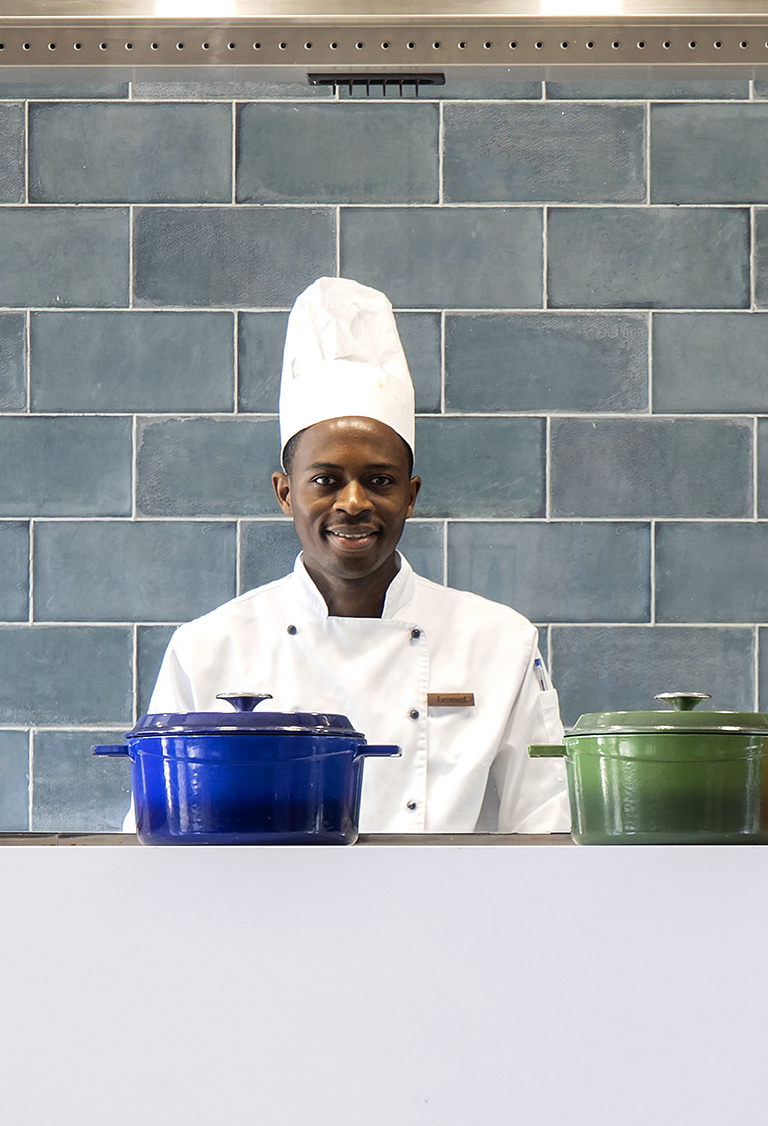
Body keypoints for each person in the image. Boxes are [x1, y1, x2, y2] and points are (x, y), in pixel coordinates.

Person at [144, 277, 569, 834]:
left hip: (449, 894)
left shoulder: (499, 643)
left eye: (379, 480)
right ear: (285, 493)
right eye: (326, 479)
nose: (353, 502)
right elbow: (156, 839)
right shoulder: (207, 649)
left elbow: (546, 828)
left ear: (411, 496)